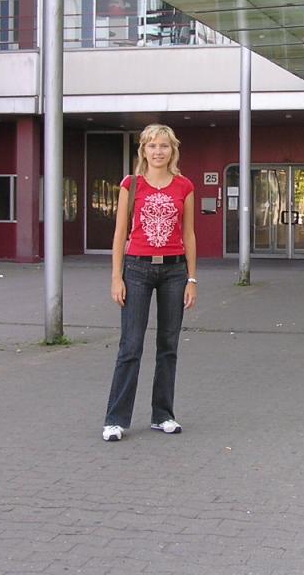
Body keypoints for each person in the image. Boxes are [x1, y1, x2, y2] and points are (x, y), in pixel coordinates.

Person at [102, 124, 197, 442]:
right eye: (152, 145)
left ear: (173, 150)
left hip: (174, 271)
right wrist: (116, 276)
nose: (158, 151)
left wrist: (192, 278)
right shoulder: (131, 184)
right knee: (130, 345)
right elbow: (120, 234)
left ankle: (163, 415)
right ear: (143, 150)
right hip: (137, 270)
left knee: (168, 346)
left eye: (164, 146)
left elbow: (189, 234)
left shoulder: (184, 186)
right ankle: (116, 419)